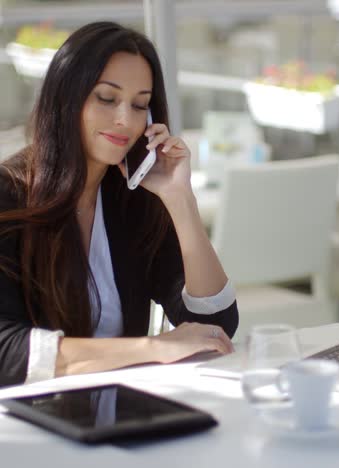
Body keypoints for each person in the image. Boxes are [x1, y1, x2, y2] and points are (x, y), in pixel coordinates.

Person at [0, 21, 238, 387]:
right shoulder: (8, 196)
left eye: (140, 104)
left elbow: (217, 327)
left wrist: (180, 198)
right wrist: (150, 348)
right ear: (67, 97)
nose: (125, 120)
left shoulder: (132, 199)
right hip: (30, 421)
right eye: (107, 98)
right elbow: (7, 351)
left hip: (115, 412)